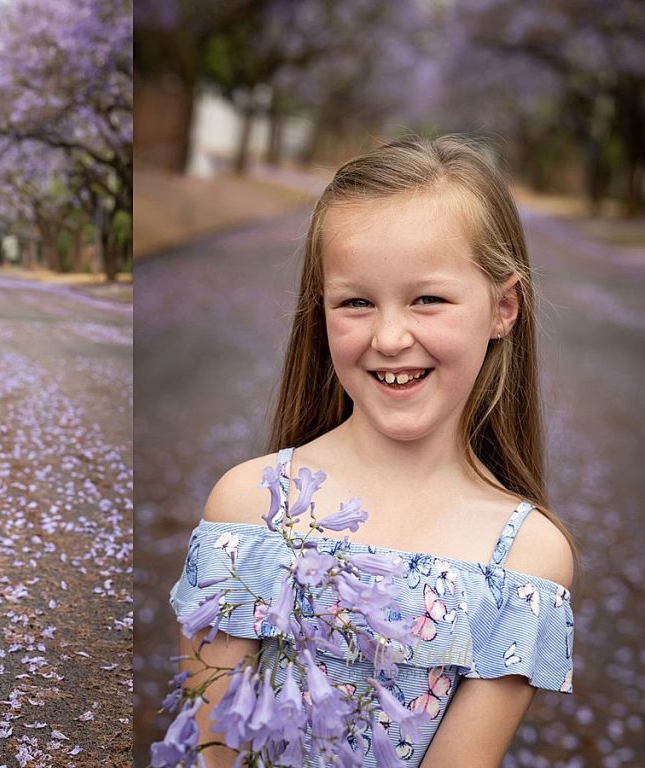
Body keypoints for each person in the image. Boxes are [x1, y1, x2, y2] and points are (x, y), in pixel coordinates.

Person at [168, 136, 579, 767]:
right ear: (322, 311)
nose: (389, 337)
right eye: (356, 302)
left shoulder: (524, 559)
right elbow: (214, 745)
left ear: (503, 307)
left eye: (428, 299)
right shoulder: (250, 509)